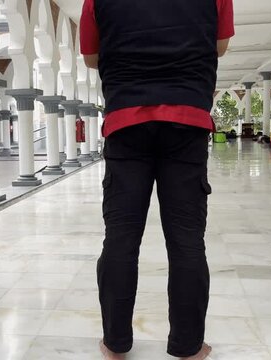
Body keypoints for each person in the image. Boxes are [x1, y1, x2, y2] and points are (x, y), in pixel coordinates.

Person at [80, 1, 235, 359]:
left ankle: (115, 344)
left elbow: (91, 57)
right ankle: (188, 346)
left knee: (120, 238)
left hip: (126, 123)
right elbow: (220, 45)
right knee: (186, 240)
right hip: (187, 121)